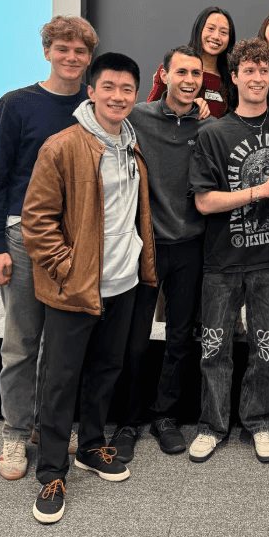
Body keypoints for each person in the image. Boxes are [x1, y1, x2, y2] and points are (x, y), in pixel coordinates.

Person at [21, 52, 156, 523]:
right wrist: (67, 270)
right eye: (109, 87)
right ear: (92, 91)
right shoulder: (62, 146)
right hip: (75, 289)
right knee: (60, 381)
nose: (118, 96)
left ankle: (92, 446)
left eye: (127, 89)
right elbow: (37, 221)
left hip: (123, 282)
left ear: (135, 95)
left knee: (105, 371)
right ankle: (51, 472)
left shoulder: (132, 143)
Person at [188, 37, 269, 464]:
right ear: (235, 77)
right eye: (249, 70)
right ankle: (212, 425)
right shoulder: (213, 133)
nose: (258, 77)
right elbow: (204, 201)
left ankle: (261, 422)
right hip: (222, 260)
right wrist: (259, 191)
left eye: (264, 70)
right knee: (215, 349)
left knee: (265, 348)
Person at [0, 15, 98, 481]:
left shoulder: (94, 107)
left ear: (89, 58)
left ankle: (47, 426)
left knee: (61, 345)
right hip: (23, 238)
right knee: (21, 343)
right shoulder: (15, 105)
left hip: (75, 239)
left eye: (80, 51)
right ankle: (15, 432)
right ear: (47, 51)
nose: (71, 57)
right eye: (63, 48)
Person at [110, 46, 212, 461]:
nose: (189, 80)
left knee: (180, 338)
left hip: (191, 246)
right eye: (181, 72)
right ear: (164, 74)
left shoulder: (207, 126)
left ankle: (165, 416)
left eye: (196, 74)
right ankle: (128, 421)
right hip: (145, 246)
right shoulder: (136, 117)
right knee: (134, 341)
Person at [147, 6, 236, 117]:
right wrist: (189, 107)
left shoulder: (232, 78)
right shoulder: (172, 68)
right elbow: (150, 114)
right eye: (211, 28)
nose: (216, 36)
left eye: (223, 32)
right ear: (199, 30)